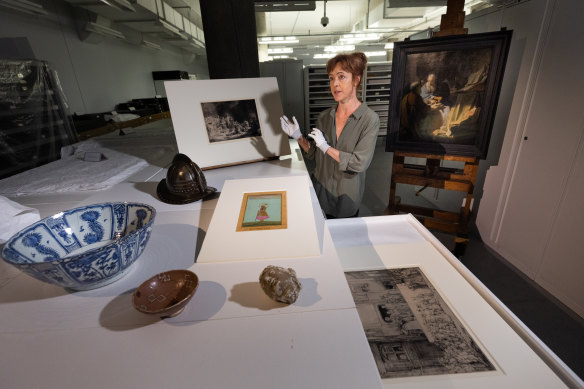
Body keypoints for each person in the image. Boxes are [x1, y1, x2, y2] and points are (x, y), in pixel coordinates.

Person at [280, 52, 380, 218]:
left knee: (343, 240)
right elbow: (314, 154)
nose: (335, 84)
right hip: (321, 192)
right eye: (331, 78)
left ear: (356, 79)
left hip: (345, 198)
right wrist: (298, 137)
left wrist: (326, 147)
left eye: (341, 77)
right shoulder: (325, 117)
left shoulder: (369, 120)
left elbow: (358, 163)